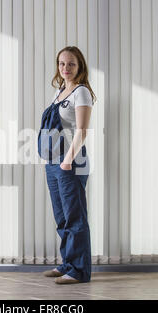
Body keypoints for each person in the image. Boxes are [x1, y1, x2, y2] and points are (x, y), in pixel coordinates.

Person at [40, 46, 96, 285]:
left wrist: (67, 160)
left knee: (75, 217)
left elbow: (82, 131)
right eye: (62, 64)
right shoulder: (60, 90)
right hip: (54, 162)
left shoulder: (81, 92)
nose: (66, 68)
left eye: (71, 64)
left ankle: (79, 271)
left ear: (79, 65)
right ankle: (68, 264)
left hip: (70, 161)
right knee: (62, 217)